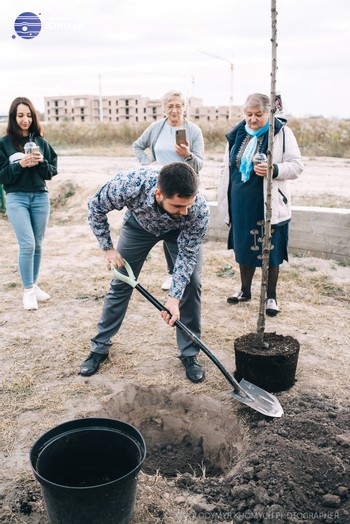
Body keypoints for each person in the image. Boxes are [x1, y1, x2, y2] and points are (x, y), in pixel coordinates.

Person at [79, 162, 210, 383]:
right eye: (178, 206)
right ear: (159, 194)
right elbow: (95, 206)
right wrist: (107, 248)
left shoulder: (197, 210)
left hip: (179, 232)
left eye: (188, 204)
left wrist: (173, 299)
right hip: (140, 226)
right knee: (121, 283)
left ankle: (189, 353)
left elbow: (187, 257)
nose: (185, 210)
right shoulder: (131, 183)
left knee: (191, 283)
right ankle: (99, 347)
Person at [218, 93, 303, 316]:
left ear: (269, 113)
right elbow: (228, 167)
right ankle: (245, 291)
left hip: (268, 203)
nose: (253, 119)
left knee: (271, 250)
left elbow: (297, 166)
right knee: (244, 247)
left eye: (258, 114)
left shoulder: (281, 133)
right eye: (248, 114)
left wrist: (274, 170)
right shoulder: (237, 134)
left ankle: (271, 297)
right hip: (240, 201)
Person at [132, 90, 204, 291]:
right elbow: (137, 146)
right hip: (162, 186)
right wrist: (148, 165)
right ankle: (172, 273)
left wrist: (187, 155)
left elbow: (200, 164)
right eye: (170, 106)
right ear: (164, 108)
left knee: (182, 230)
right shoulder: (156, 128)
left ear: (184, 107)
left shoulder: (194, 131)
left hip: (185, 187)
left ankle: (181, 272)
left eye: (178, 106)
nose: (174, 110)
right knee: (166, 226)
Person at [0, 97, 58, 310]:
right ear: (14, 118)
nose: (25, 119)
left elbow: (52, 171)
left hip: (40, 197)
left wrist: (41, 162)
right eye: (20, 115)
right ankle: (27, 292)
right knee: (28, 244)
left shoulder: (40, 142)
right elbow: (2, 176)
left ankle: (33, 285)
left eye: (29, 115)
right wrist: (20, 165)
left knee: (39, 244)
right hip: (17, 198)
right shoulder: (4, 143)